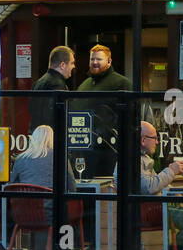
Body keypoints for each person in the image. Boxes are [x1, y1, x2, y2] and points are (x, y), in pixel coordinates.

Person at [77, 44, 130, 178]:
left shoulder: (121, 83)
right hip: (84, 150)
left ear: (109, 61)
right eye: (92, 59)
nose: (94, 62)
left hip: (109, 152)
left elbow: (130, 117)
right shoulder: (85, 84)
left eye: (99, 59)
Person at [31, 45, 74, 129]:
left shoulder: (39, 82)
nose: (74, 66)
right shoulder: (57, 84)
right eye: (72, 63)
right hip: (50, 137)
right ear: (62, 65)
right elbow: (55, 116)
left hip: (36, 134)